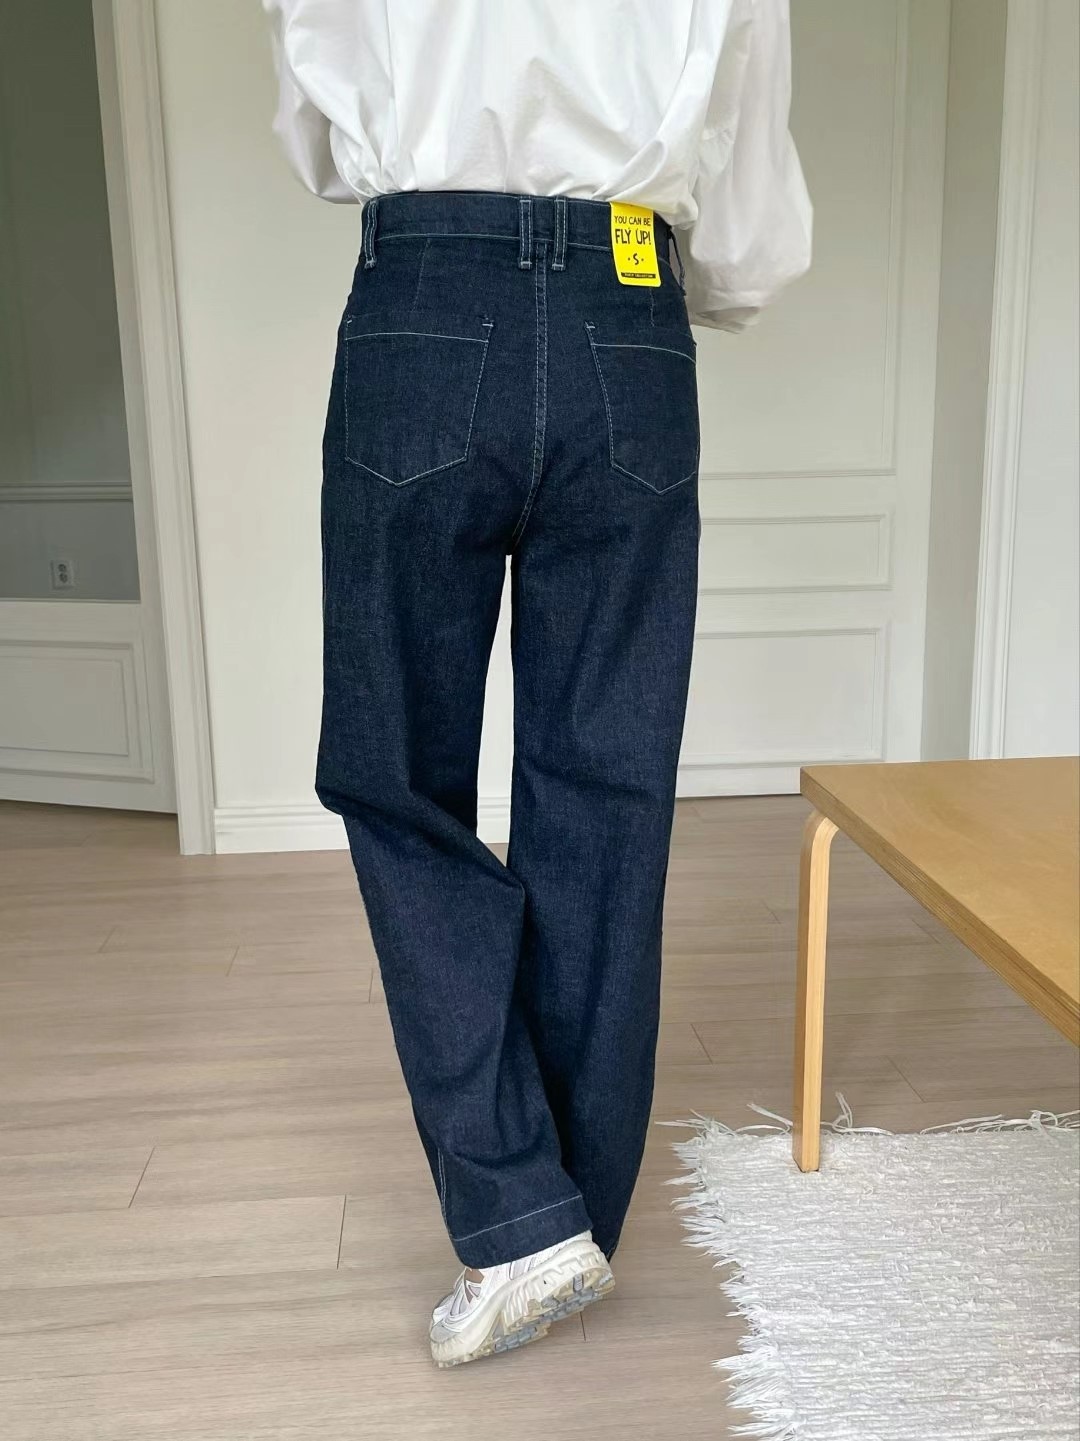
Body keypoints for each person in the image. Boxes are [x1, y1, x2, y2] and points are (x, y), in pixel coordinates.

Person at [262, 0, 811, 1368]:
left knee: (397, 772)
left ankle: (520, 1220)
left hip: (426, 300)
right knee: (605, 787)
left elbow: (317, 125)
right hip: (632, 314)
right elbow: (746, 216)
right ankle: (571, 1211)